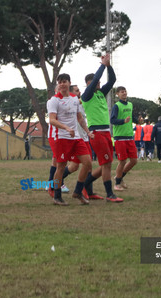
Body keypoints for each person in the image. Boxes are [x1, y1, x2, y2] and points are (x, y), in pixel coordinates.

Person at [81, 53, 123, 202]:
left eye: (99, 83)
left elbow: (112, 80)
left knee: (107, 163)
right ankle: (109, 194)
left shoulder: (100, 94)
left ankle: (83, 186)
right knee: (106, 165)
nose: (98, 85)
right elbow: (94, 83)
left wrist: (109, 66)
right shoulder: (87, 95)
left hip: (106, 132)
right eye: (95, 83)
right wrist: (102, 65)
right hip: (96, 132)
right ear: (88, 84)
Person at [48, 73, 93, 206]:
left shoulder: (74, 99)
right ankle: (57, 196)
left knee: (88, 163)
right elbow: (51, 120)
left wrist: (87, 132)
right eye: (60, 82)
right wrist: (66, 128)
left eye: (64, 81)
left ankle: (78, 191)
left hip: (76, 138)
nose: (62, 84)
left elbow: (79, 118)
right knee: (60, 166)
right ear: (58, 84)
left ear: (69, 83)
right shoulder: (54, 100)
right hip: (62, 137)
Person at [110, 86, 138, 191]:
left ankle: (119, 177)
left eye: (125, 91)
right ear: (117, 94)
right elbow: (112, 120)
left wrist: (138, 120)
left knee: (134, 160)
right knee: (122, 161)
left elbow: (131, 117)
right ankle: (117, 184)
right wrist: (123, 121)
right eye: (122, 92)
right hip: (120, 137)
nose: (124, 93)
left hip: (129, 136)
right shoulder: (116, 106)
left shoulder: (130, 104)